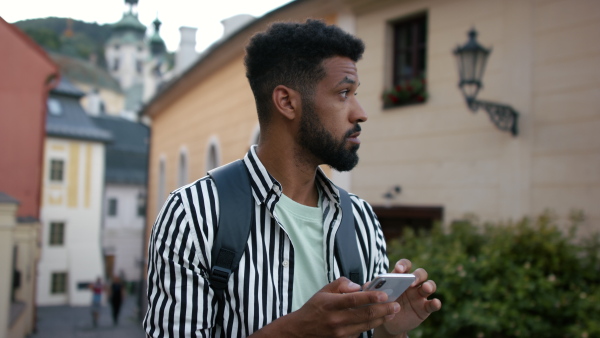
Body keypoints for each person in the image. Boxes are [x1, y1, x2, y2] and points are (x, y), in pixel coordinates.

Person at [144, 19, 441, 337]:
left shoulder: (361, 219)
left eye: (355, 94)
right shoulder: (193, 214)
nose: (360, 112)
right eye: (343, 93)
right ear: (287, 102)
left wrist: (388, 329)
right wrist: (295, 331)